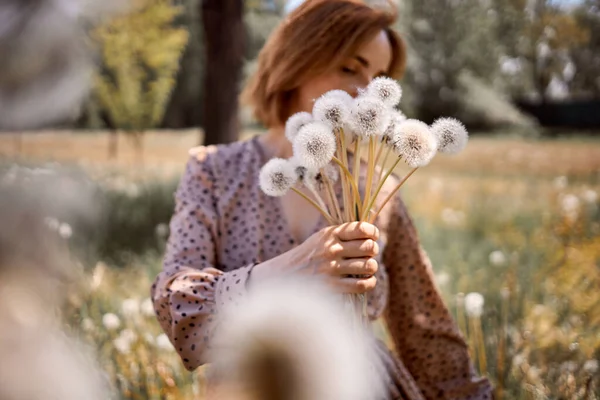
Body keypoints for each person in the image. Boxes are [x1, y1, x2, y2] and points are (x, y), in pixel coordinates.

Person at [151, 0, 493, 398]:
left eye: (379, 77)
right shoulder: (214, 172)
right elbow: (178, 308)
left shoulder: (380, 192)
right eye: (350, 68)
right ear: (299, 60)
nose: (368, 94)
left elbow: (430, 342)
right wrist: (295, 268)